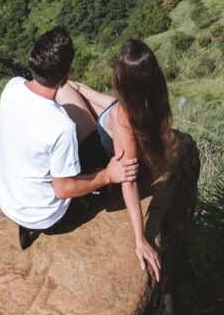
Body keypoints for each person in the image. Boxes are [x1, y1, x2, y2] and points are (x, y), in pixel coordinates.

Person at [0, 28, 139, 250]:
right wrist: (108, 175)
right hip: (46, 217)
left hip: (7, 199)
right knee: (94, 146)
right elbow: (63, 189)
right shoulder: (61, 127)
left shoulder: (12, 88)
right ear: (67, 72)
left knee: (84, 123)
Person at [67, 40, 175, 280]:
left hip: (97, 150)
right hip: (114, 128)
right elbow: (114, 106)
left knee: (63, 91)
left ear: (122, 80)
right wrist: (81, 88)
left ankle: (69, 89)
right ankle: (75, 88)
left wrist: (140, 238)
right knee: (73, 89)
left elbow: (128, 178)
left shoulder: (123, 116)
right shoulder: (154, 98)